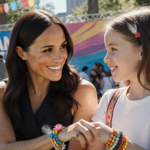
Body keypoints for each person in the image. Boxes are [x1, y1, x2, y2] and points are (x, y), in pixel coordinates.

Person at [0, 10, 98, 150]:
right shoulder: (3, 93)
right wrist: (59, 136)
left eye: (62, 46)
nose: (59, 58)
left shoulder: (82, 91)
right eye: (47, 50)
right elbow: (4, 148)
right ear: (21, 53)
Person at [87, 7, 150, 150]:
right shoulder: (110, 100)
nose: (106, 58)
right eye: (106, 50)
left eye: (113, 49)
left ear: (142, 50)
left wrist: (113, 139)